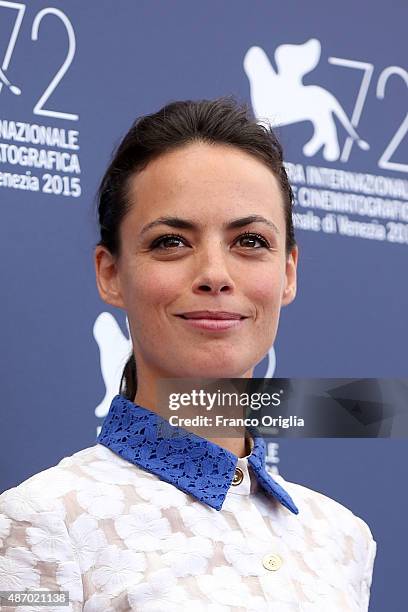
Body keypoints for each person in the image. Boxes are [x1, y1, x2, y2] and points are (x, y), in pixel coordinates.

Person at [0, 97, 376, 611]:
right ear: (110, 272)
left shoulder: (342, 539)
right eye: (171, 242)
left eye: (249, 240)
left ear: (288, 271)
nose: (215, 275)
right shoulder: (41, 523)